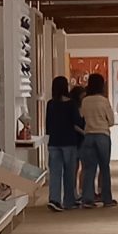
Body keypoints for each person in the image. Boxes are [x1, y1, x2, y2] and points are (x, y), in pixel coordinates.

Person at [43, 74, 83, 212]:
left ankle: (54, 199)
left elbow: (48, 125)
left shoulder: (50, 104)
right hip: (69, 142)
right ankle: (69, 200)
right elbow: (77, 122)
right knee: (69, 173)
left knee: (55, 173)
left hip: (54, 142)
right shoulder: (71, 104)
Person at [77, 72, 115, 209]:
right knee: (104, 168)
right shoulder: (103, 101)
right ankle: (106, 199)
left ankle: (87, 199)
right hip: (102, 136)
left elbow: (82, 116)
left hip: (88, 136)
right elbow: (111, 121)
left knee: (89, 168)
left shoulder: (85, 101)